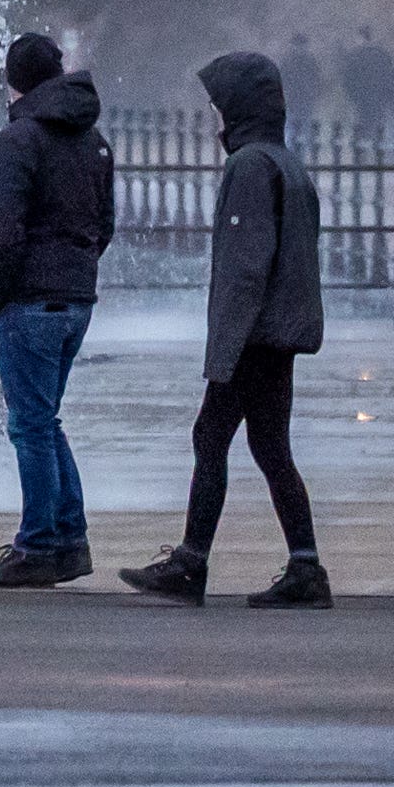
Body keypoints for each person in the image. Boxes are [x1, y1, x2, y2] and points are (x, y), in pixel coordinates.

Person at [125, 52, 332, 607]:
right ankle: (306, 567)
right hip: (280, 334)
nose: (214, 117)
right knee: (270, 448)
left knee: (209, 437)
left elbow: (245, 268)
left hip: (255, 336)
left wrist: (223, 355)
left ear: (237, 109)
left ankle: (191, 564)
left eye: (218, 106)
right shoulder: (287, 164)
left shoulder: (249, 167)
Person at [0, 30, 113, 589]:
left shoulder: (17, 142)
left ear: (13, 80)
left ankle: (37, 547)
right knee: (45, 421)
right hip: (77, 299)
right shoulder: (93, 140)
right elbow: (105, 226)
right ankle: (68, 539)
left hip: (29, 300)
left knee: (29, 425)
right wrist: (75, 274)